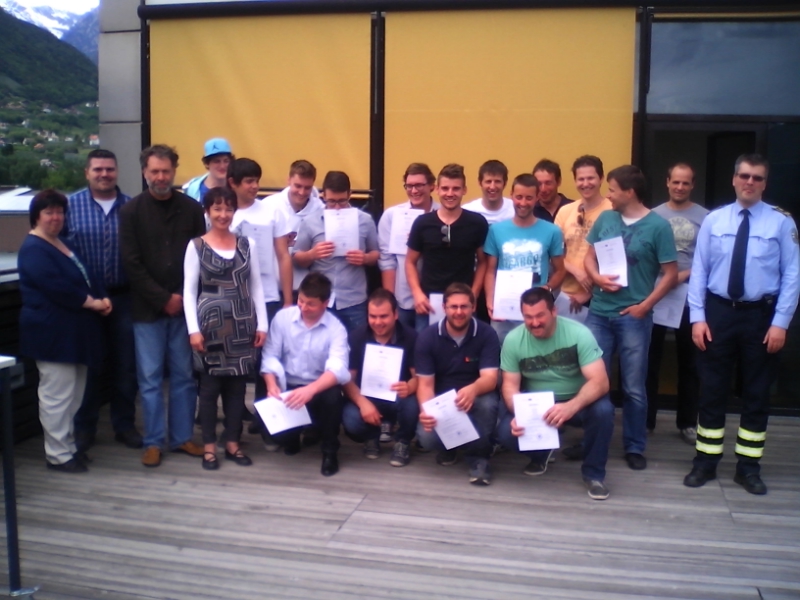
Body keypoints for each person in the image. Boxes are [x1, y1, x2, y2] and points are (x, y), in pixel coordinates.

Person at [684, 154, 799, 496]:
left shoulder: (781, 223)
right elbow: (699, 271)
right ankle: (705, 462)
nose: (750, 182)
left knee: (757, 393)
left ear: (765, 183)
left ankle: (748, 468)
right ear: (734, 179)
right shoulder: (715, 220)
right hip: (719, 313)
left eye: (757, 178)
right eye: (745, 176)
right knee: (712, 390)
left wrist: (780, 323)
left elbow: (792, 276)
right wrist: (697, 317)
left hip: (760, 317)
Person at [584, 165, 678, 471]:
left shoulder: (658, 226)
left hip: (634, 317)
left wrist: (645, 305)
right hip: (599, 313)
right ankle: (590, 442)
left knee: (634, 386)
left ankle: (634, 445)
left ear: (630, 192)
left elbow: (670, 273)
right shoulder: (606, 219)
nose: (608, 195)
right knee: (592, 380)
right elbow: (588, 257)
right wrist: (596, 278)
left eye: (612, 190)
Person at [120, 144, 207, 468]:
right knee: (150, 378)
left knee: (184, 375)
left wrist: (181, 297)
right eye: (154, 171)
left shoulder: (192, 209)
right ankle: (154, 441)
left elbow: (199, 257)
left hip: (184, 309)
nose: (160, 177)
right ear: (144, 172)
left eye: (165, 171)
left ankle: (182, 437)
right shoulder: (130, 212)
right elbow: (131, 264)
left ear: (174, 172)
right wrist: (162, 298)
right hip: (146, 311)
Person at [18, 190, 110, 473]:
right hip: (52, 335)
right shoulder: (33, 249)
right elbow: (57, 287)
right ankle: (57, 455)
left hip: (74, 334)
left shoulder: (63, 243)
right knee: (56, 397)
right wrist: (92, 303)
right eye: (49, 212)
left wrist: (103, 297)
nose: (56, 217)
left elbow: (88, 275)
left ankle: (68, 447)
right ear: (36, 216)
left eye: (59, 212)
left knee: (74, 396)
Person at [496, 288, 614, 500]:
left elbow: (601, 381)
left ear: (553, 311)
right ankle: (541, 454)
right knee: (505, 432)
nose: (534, 323)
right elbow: (509, 386)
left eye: (540, 315)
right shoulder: (513, 340)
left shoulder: (579, 333)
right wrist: (520, 413)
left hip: (576, 399)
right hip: (536, 404)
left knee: (604, 410)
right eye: (528, 317)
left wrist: (570, 406)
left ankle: (594, 474)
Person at [183, 187, 268, 470]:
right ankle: (209, 446)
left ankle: (232, 442)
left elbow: (256, 286)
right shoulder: (196, 246)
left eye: (228, 208)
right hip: (210, 327)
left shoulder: (247, 244)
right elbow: (189, 291)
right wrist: (193, 330)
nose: (223, 214)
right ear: (207, 211)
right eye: (217, 208)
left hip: (243, 325)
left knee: (237, 389)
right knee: (208, 390)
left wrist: (262, 324)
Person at [63, 149, 141, 452]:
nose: (104, 174)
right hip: (85, 302)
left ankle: (124, 425)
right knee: (89, 367)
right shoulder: (69, 206)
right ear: (87, 172)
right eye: (98, 169)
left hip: (123, 298)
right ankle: (84, 428)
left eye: (109, 169)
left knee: (126, 367)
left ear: (117, 171)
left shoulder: (132, 207)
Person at [259, 273, 350, 476]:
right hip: (288, 386)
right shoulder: (282, 318)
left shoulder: (336, 328)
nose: (303, 307)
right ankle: (298, 433)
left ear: (325, 303)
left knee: (333, 396)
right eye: (301, 300)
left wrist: (310, 390)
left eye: (311, 304)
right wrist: (271, 384)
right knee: (282, 441)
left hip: (319, 388)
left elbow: (338, 368)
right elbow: (270, 355)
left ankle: (329, 450)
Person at [645, 163, 708, 442]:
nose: (680, 187)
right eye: (676, 182)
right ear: (667, 182)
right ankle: (646, 421)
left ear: (692, 185)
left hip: (690, 298)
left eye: (685, 183)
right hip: (656, 295)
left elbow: (709, 259)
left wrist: (682, 275)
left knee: (690, 362)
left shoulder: (706, 218)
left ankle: (687, 422)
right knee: (650, 360)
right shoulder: (653, 215)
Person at [415, 283, 500, 485]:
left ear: (473, 307)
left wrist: (473, 389)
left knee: (488, 404)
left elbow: (490, 378)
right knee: (426, 437)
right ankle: (450, 447)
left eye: (464, 306)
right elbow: (425, 385)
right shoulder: (427, 337)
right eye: (453, 306)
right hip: (442, 400)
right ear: (444, 308)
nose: (459, 312)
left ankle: (479, 458)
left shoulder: (487, 334)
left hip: (476, 395)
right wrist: (426, 411)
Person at [406, 164, 489, 331]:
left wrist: (474, 294)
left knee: (464, 346)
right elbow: (410, 262)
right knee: (426, 346)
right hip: (429, 304)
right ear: (437, 189)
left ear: (464, 190)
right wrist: (417, 293)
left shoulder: (477, 223)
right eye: (445, 188)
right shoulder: (422, 223)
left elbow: (483, 262)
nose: (450, 193)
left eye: (456, 188)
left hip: (463, 303)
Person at [293, 170, 379, 332]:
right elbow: (297, 257)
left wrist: (365, 259)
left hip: (353, 299)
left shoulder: (365, 220)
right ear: (323, 196)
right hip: (320, 299)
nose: (337, 207)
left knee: (356, 344)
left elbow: (376, 253)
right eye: (332, 202)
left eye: (342, 201)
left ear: (350, 195)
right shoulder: (310, 222)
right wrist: (312, 254)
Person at [484, 173, 566, 343]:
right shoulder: (496, 230)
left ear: (537, 198)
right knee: (503, 354)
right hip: (505, 310)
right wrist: (490, 301)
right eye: (519, 197)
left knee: (538, 355)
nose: (523, 203)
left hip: (537, 310)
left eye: (529, 198)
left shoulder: (552, 231)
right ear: (511, 196)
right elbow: (490, 270)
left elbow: (560, 270)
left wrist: (548, 288)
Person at [342, 289, 419, 466]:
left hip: (398, 395)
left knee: (412, 404)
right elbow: (347, 380)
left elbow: (419, 377)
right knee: (351, 420)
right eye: (373, 316)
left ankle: (403, 442)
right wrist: (362, 403)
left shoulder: (411, 337)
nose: (378, 322)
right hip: (367, 395)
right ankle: (371, 437)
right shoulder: (356, 337)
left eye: (383, 316)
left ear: (395, 314)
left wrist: (410, 386)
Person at [229, 158, 294, 323]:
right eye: (249, 181)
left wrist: (288, 302)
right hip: (231, 297)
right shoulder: (220, 214)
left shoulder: (272, 212)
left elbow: (283, 256)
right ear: (232, 183)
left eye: (257, 181)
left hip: (267, 297)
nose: (255, 186)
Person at [378, 163, 440, 329]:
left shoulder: (443, 214)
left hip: (433, 299)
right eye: (409, 186)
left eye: (419, 185)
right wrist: (389, 301)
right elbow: (387, 260)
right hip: (402, 298)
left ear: (432, 186)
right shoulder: (391, 216)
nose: (414, 191)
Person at [554, 155, 612, 320]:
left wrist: (589, 293)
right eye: (581, 179)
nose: (585, 183)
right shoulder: (565, 211)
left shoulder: (612, 211)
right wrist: (576, 271)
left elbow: (616, 258)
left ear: (601, 178)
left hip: (601, 296)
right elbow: (553, 252)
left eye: (590, 178)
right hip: (565, 295)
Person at [267, 160, 325, 294]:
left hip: (307, 290)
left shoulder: (321, 210)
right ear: (288, 180)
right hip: (272, 288)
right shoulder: (269, 206)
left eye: (307, 188)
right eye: (297, 186)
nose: (302, 192)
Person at [462, 159, 515, 225]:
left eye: (497, 181)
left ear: (505, 183)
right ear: (480, 183)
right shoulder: (467, 212)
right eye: (488, 181)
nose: (492, 187)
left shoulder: (515, 210)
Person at [182, 137, 234, 203]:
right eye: (217, 161)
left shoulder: (238, 187)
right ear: (207, 164)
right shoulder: (192, 189)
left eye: (226, 161)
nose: (222, 166)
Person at [532, 158, 573, 223]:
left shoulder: (574, 209)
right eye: (539, 183)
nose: (543, 189)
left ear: (558, 182)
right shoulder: (530, 212)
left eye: (548, 183)